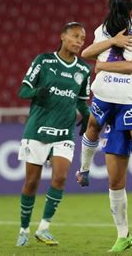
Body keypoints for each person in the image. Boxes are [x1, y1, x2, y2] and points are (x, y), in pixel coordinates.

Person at [75, 0, 132, 252]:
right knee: (116, 181)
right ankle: (123, 235)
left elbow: (131, 67)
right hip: (118, 107)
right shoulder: (110, 31)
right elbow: (91, 52)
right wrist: (112, 41)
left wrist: (102, 68)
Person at [15, 22, 91, 247]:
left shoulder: (84, 70)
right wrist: (39, 92)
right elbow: (23, 90)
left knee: (59, 178)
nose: (79, 41)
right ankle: (24, 229)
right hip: (37, 129)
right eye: (75, 36)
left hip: (64, 132)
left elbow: (81, 103)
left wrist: (88, 120)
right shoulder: (43, 61)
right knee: (31, 182)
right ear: (63, 37)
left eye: (82, 39)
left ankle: (44, 227)